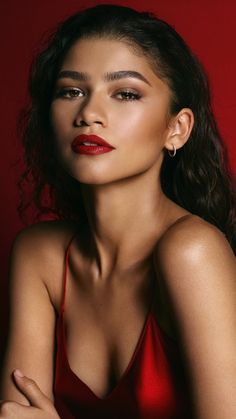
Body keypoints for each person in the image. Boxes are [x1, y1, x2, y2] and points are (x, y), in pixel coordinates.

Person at [0, 4, 236, 418]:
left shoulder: (192, 252)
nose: (88, 114)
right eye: (70, 91)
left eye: (125, 93)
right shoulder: (39, 255)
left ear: (176, 128)